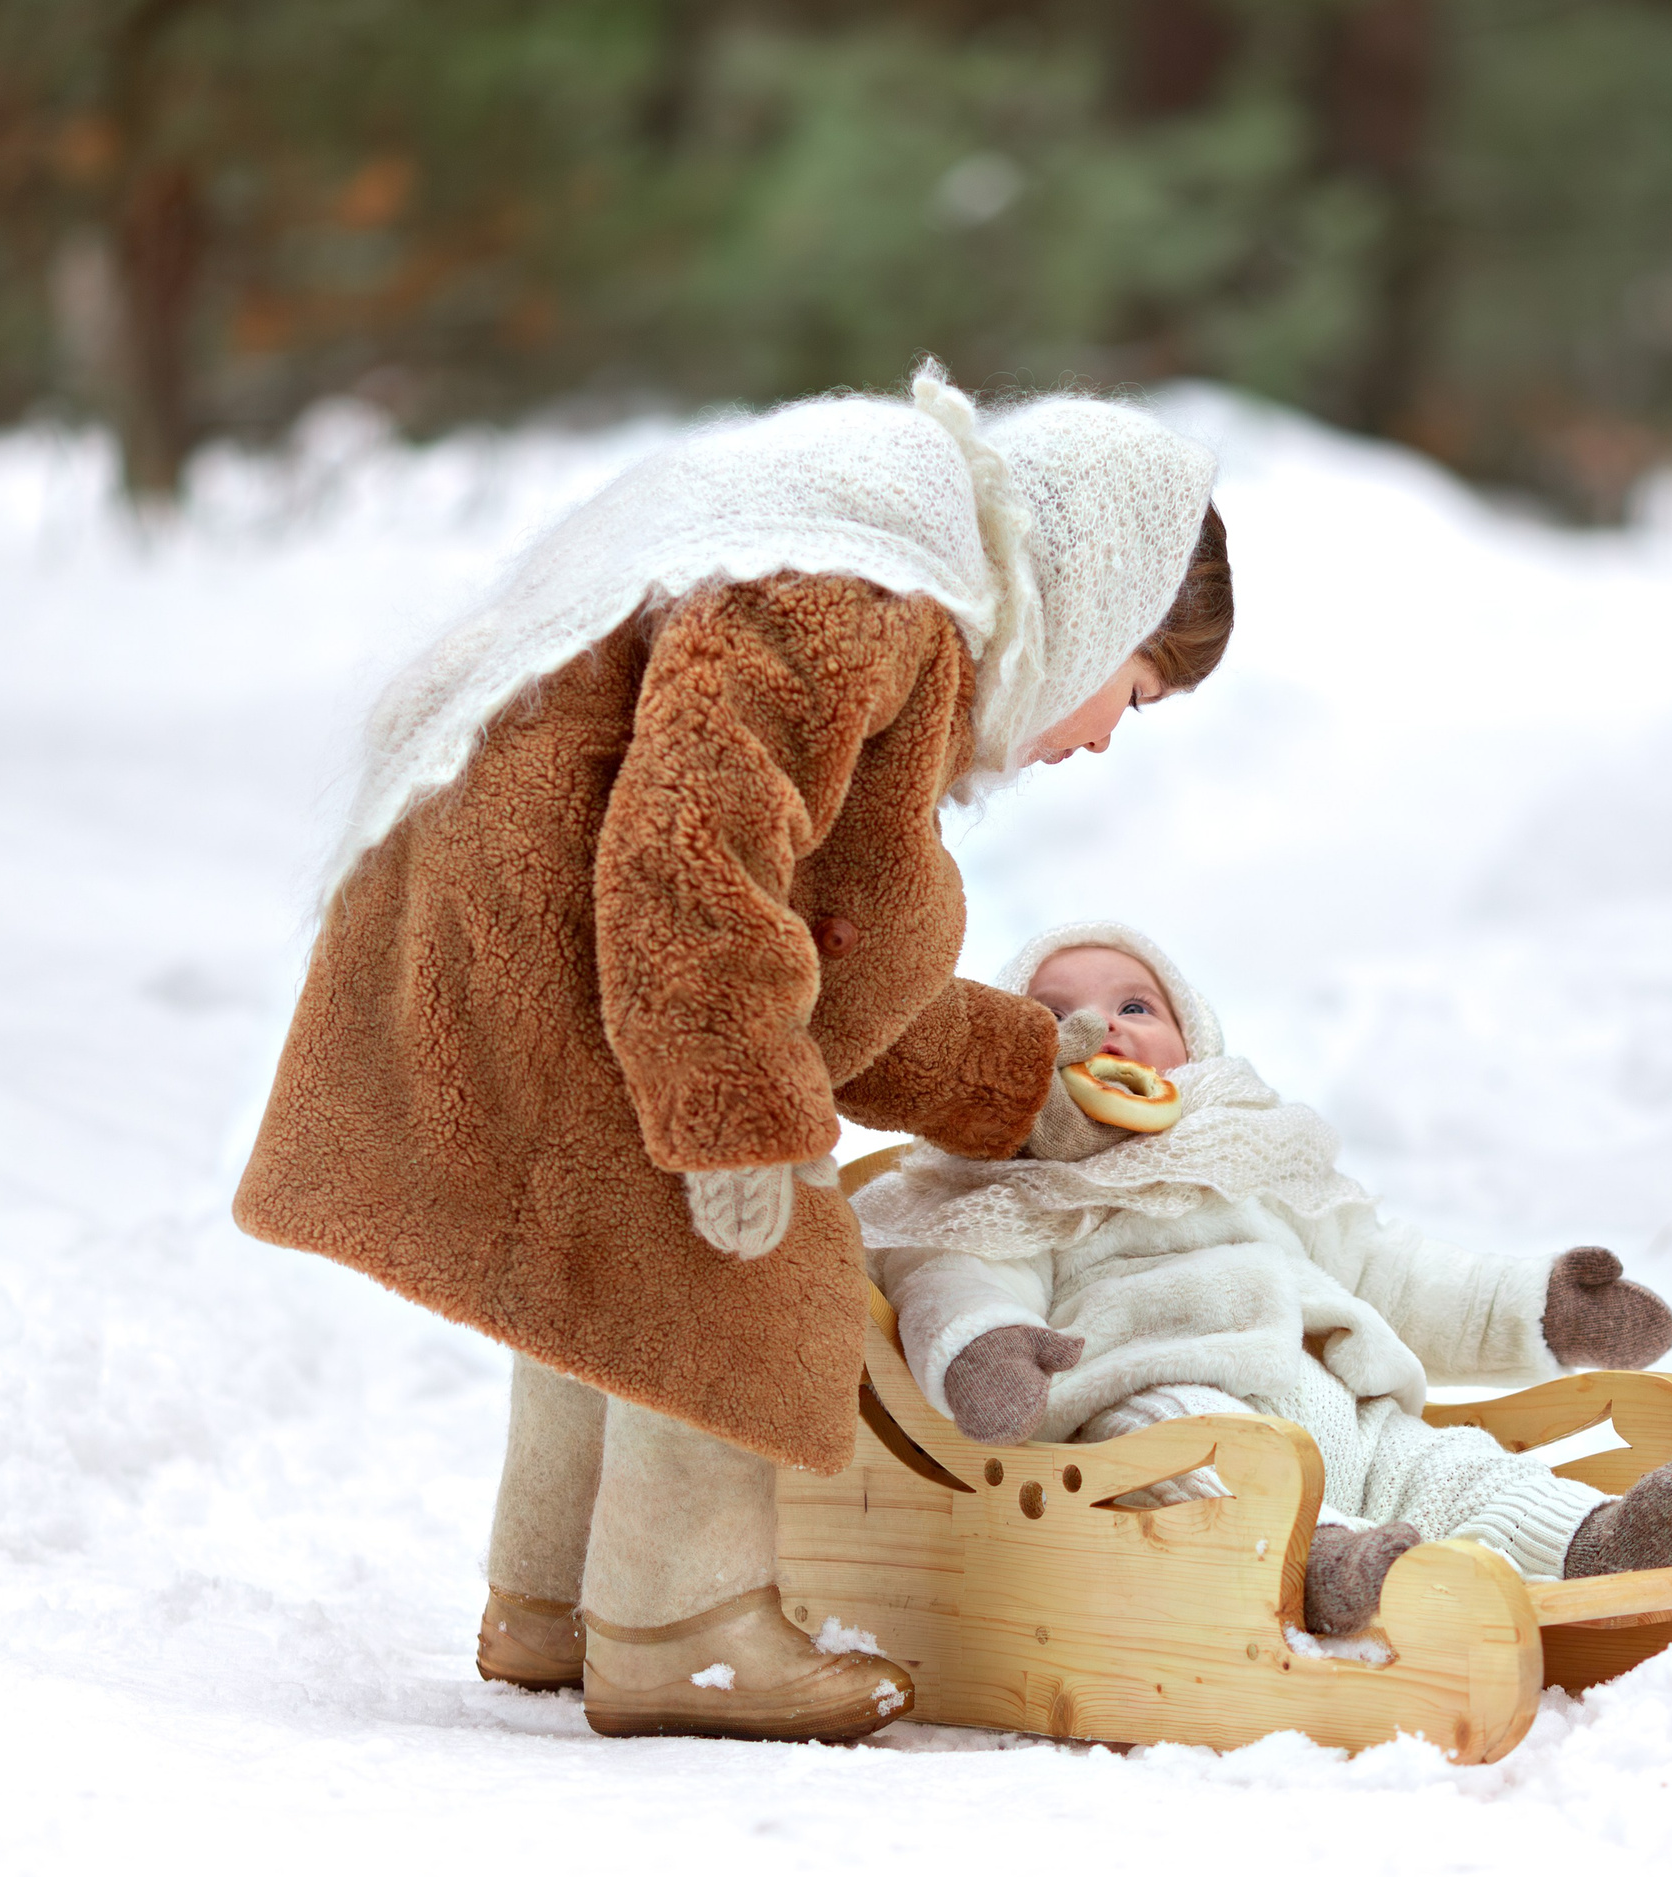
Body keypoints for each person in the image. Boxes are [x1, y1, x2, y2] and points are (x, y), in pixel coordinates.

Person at [234, 366, 1230, 1738]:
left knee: (611, 1246)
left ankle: (552, 1601)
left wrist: (1025, 1086)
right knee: (745, 1250)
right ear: (1104, 605)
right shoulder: (864, 586)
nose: (1108, 736)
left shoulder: (913, 594)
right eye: (1140, 690)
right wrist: (742, 1114)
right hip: (563, 903)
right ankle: (681, 1632)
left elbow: (828, 959)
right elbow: (696, 845)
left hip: (546, 901)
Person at [854, 923, 1672, 1637]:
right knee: (1212, 1466)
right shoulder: (1005, 1191)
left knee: (1442, 1462)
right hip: (1151, 1411)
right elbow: (959, 1279)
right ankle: (1321, 1567)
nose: (1104, 1031)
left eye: (1133, 1006)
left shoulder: (1253, 1162)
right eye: (1055, 1016)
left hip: (1329, 1403)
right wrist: (985, 1349)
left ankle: (1594, 1542)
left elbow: (1396, 1272)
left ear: (1194, 1045)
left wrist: (1545, 1307)